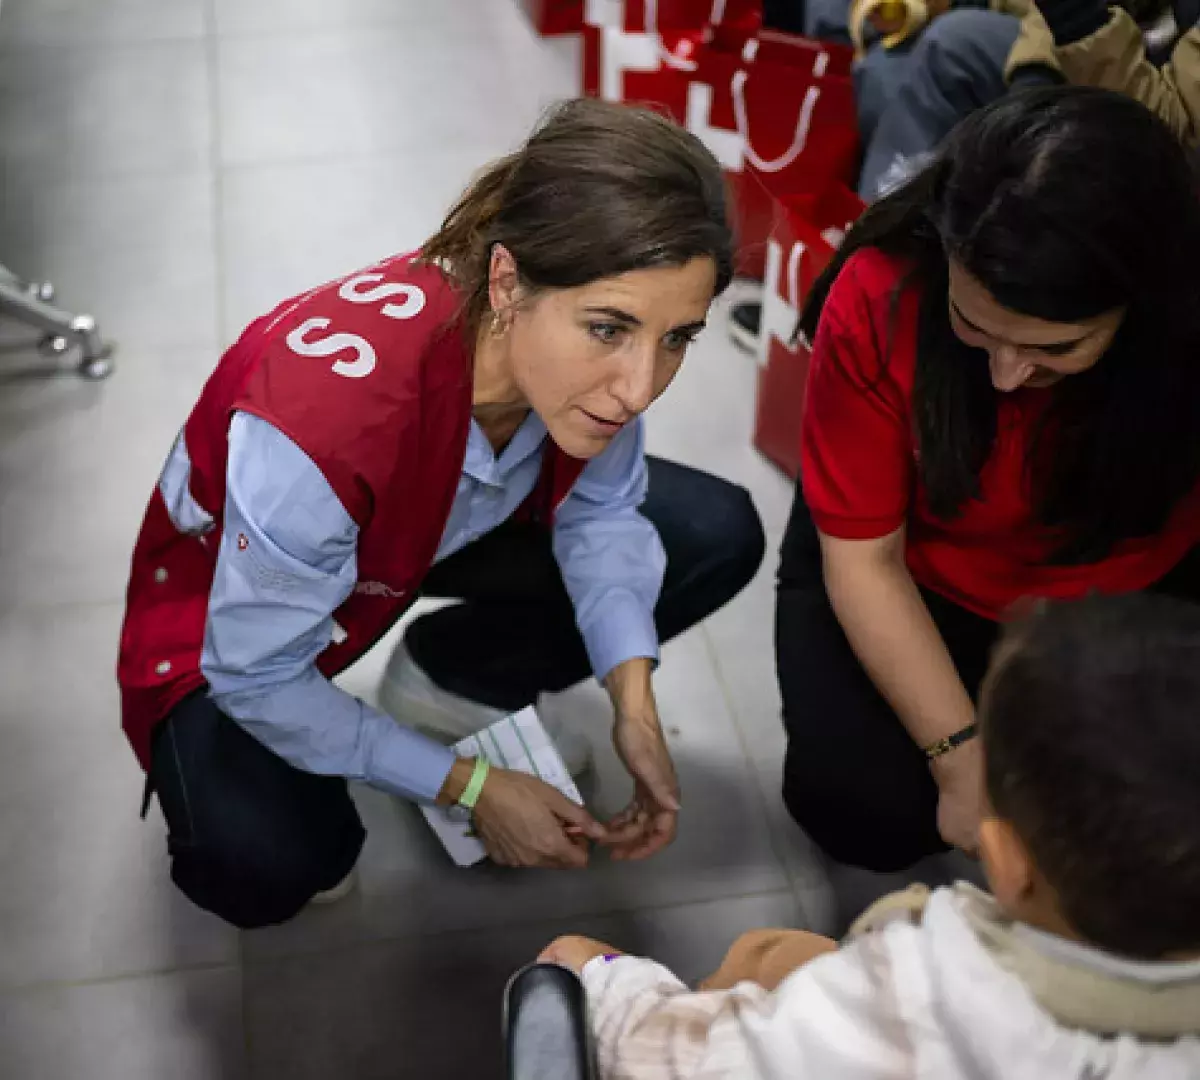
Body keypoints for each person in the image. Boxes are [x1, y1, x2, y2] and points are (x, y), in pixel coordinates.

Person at [116, 99, 766, 930]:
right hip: (226, 617)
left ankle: (450, 677)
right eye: (609, 329)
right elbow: (257, 674)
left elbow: (602, 515)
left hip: (417, 531)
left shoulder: (570, 368)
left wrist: (631, 703)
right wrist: (472, 786)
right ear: (507, 282)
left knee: (713, 534)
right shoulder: (324, 435)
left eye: (677, 338)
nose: (640, 387)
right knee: (265, 862)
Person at [775, 86, 1200, 874]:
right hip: (912, 572)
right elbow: (865, 562)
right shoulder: (881, 291)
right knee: (863, 807)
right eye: (973, 325)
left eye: (1055, 349)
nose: (1006, 376)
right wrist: (958, 760)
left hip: (1119, 599)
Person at [540, 593, 1200, 1078]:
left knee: (593, 963)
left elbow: (664, 1058)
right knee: (775, 955)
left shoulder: (912, 1002)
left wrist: (595, 976)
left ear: (1005, 860)